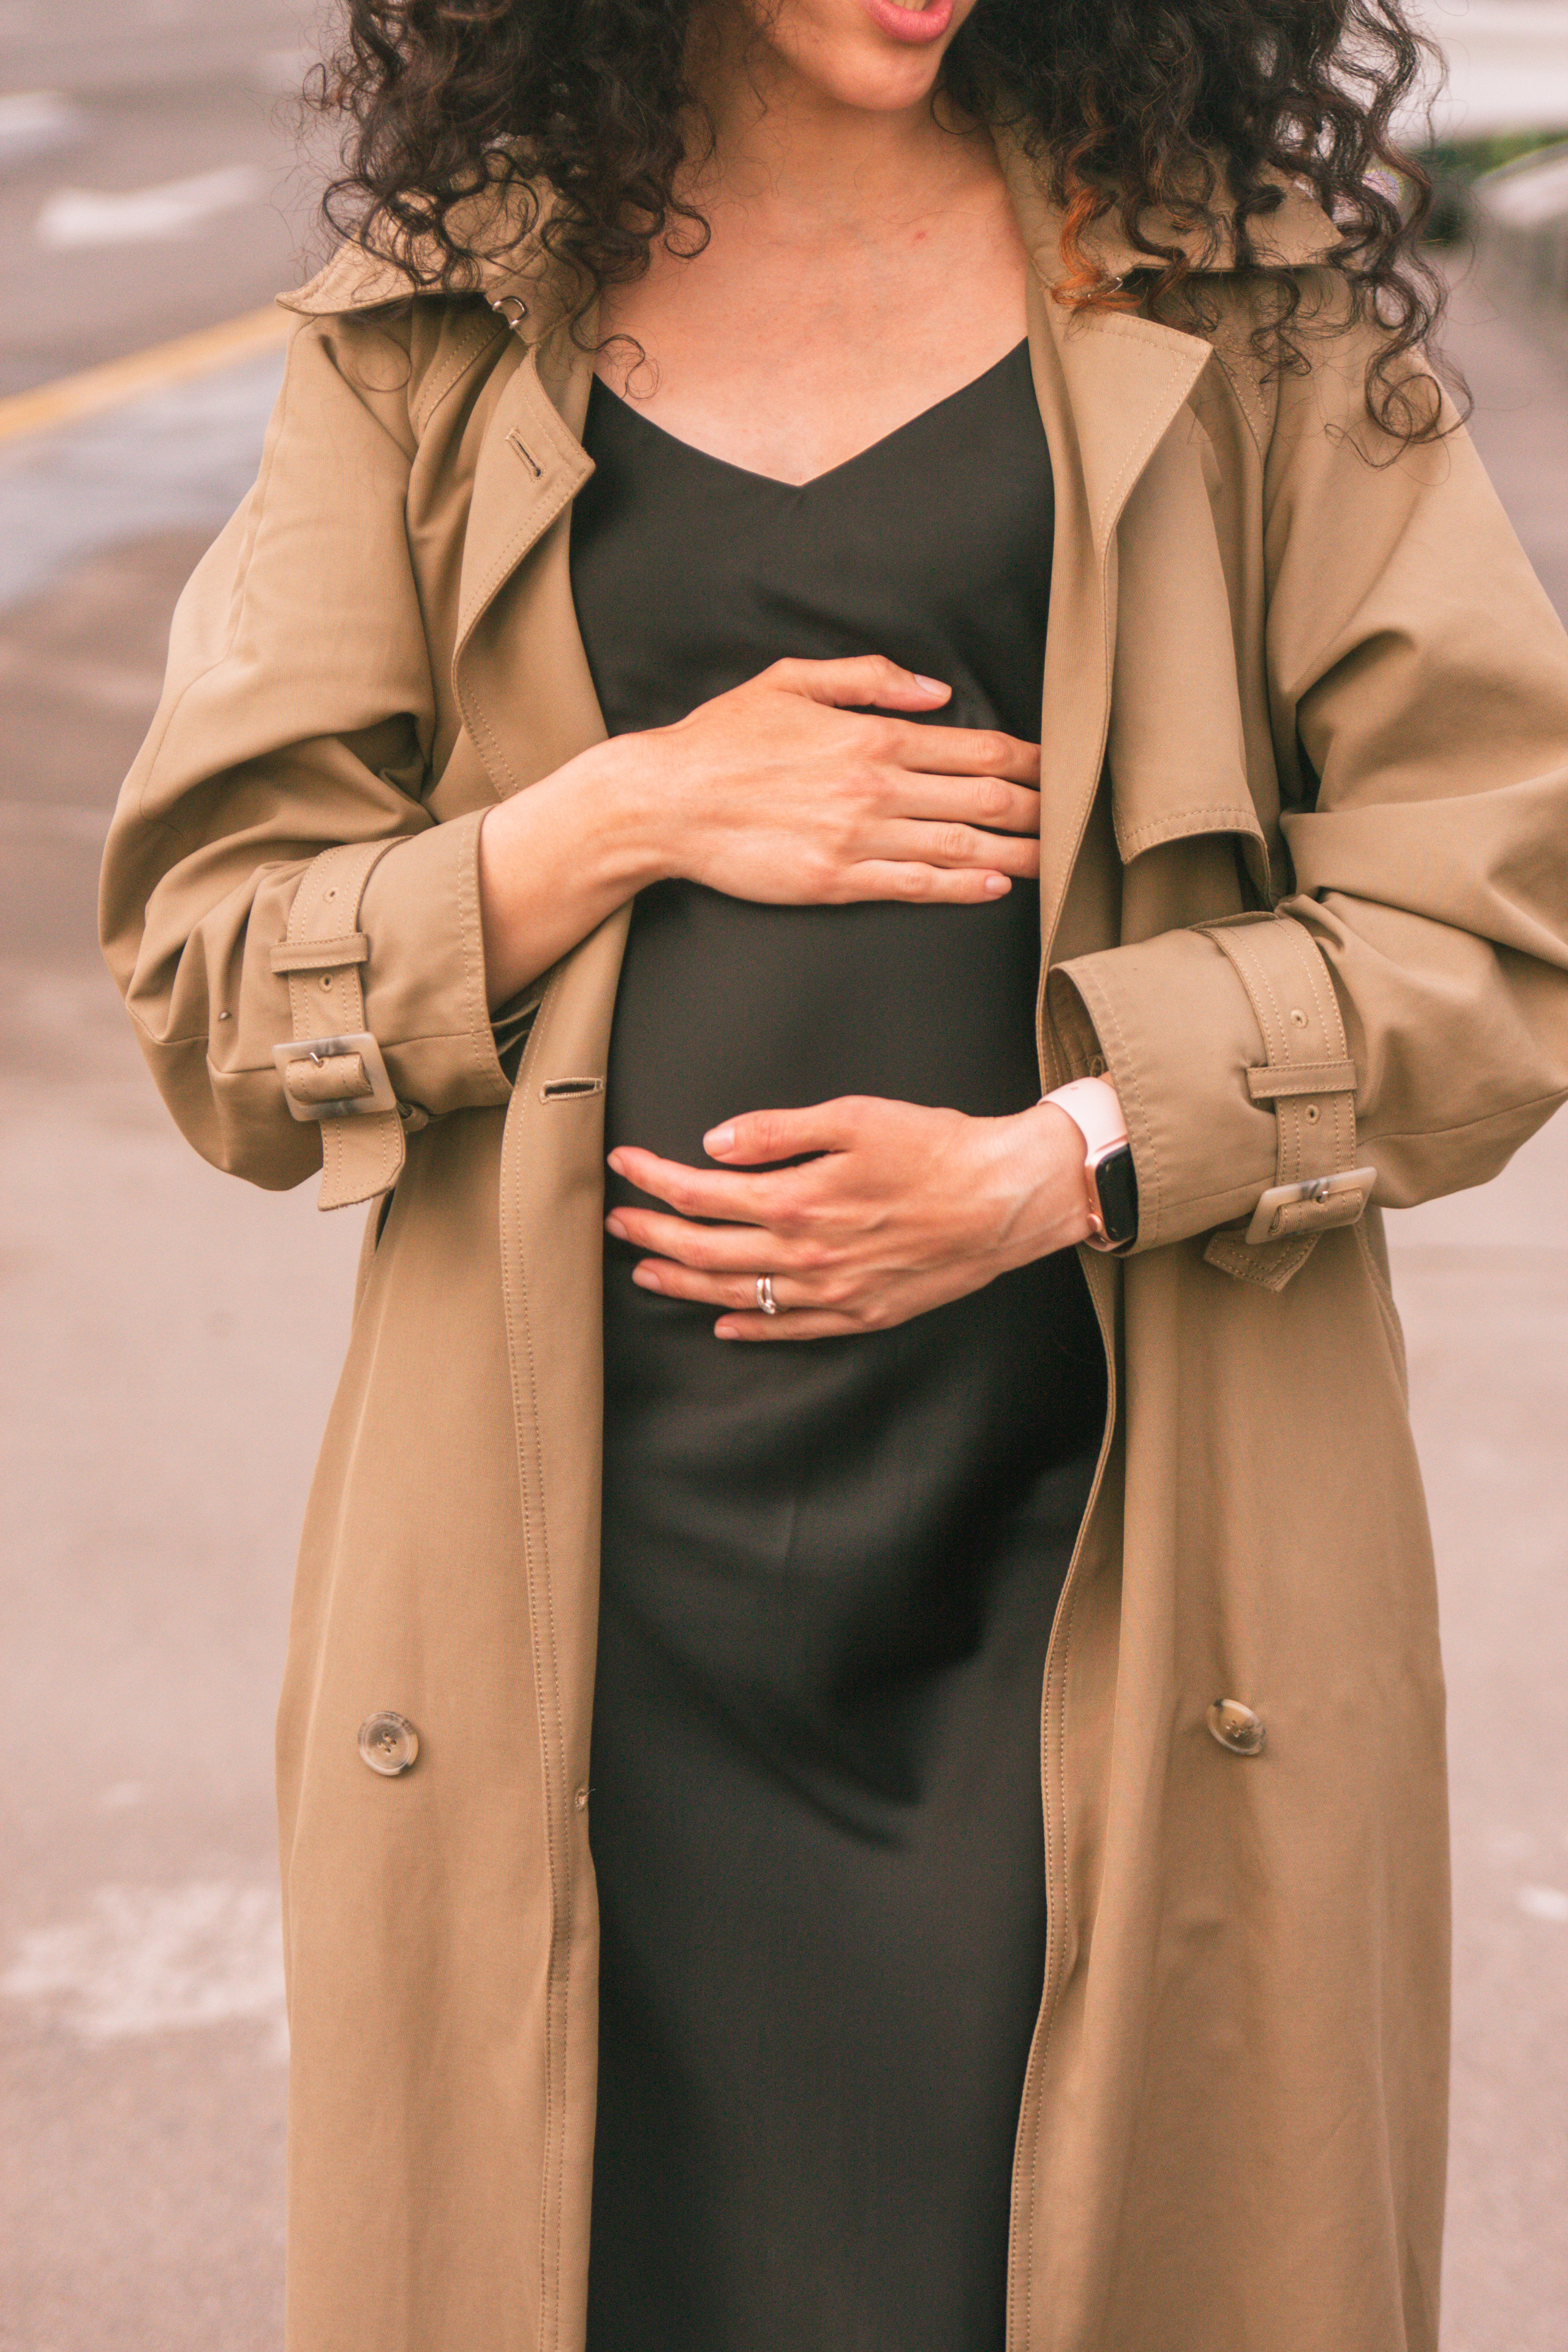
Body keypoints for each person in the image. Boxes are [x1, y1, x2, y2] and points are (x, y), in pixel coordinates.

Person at [99, 0, 1568, 2342]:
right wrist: (619, 815)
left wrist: (1056, 1163)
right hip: (590, 1593)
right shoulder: (436, 328)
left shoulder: (1246, 302)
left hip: (1099, 1551)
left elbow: (1493, 920)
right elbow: (213, 971)